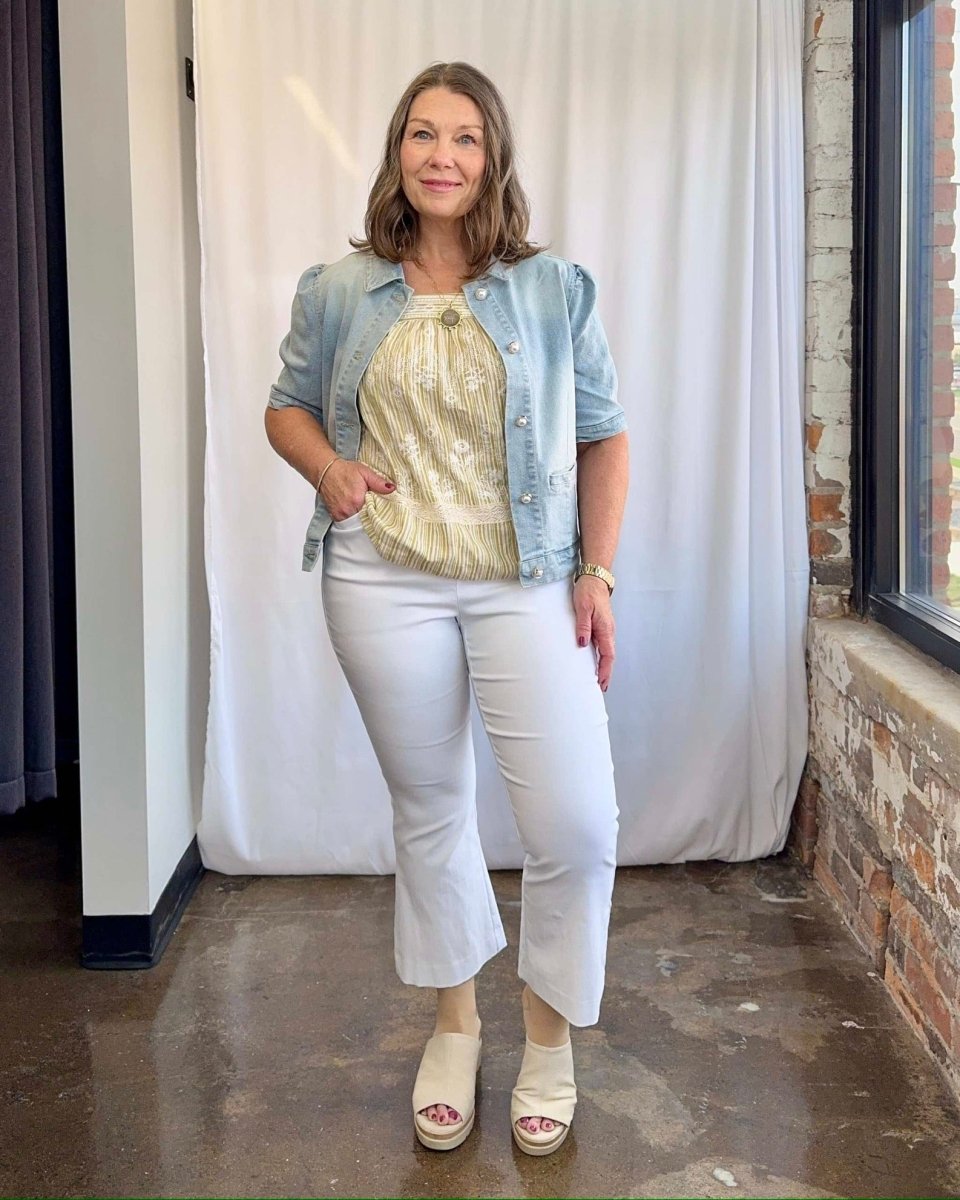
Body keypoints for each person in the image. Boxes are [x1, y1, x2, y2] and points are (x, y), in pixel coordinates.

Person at [264, 60, 629, 1157]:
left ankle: (551, 1040)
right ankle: (456, 1027)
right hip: (381, 577)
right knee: (431, 809)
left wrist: (596, 573)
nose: (442, 156)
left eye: (465, 138)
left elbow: (604, 435)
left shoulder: (551, 287)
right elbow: (286, 411)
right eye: (424, 135)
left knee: (575, 821)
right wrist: (330, 470)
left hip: (523, 579)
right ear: (398, 153)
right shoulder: (339, 289)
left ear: (492, 157)